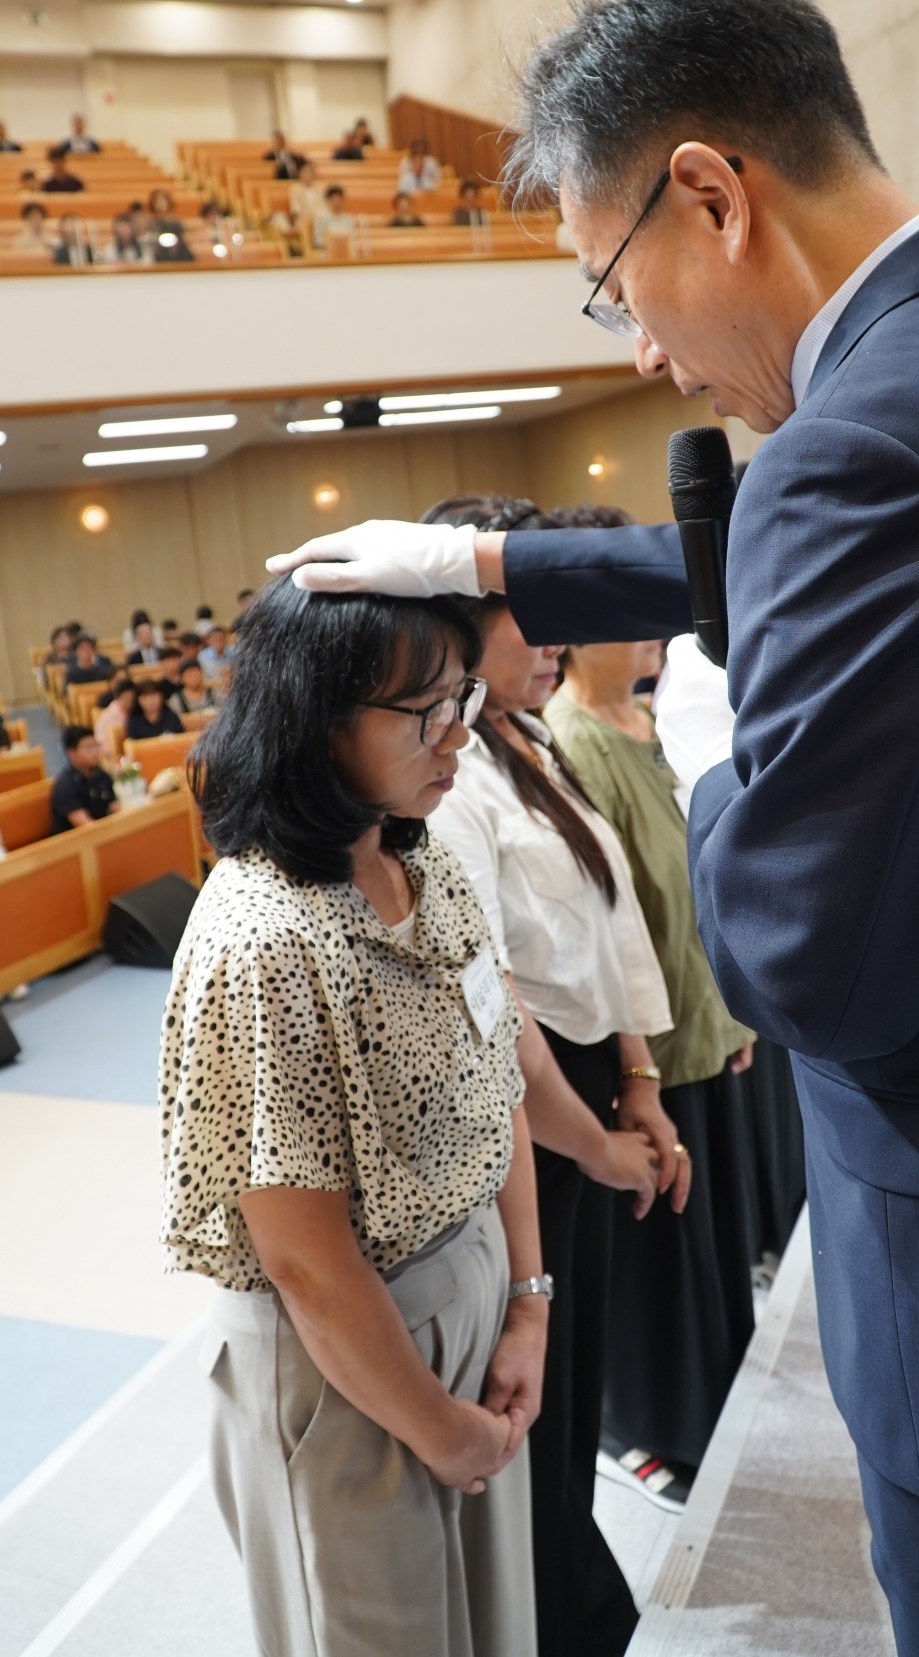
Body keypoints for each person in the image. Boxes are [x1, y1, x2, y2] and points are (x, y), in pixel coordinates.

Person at [267, 0, 919, 1656]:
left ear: (712, 196)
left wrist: (714, 753)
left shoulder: (850, 456)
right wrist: (498, 563)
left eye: (611, 284)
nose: (645, 352)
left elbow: (810, 971)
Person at [162, 576, 544, 1657]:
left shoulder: (418, 857)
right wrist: (441, 1429)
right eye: (425, 712)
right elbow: (308, 1263)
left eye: (463, 700)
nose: (457, 736)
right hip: (353, 1358)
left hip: (468, 1292)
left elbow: (499, 1083)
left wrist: (527, 1302)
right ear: (317, 720)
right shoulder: (263, 939)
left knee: (493, 1623)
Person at [423, 495, 685, 1657]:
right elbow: (496, 1002)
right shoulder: (450, 778)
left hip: (587, 1080)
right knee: (533, 1390)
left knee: (570, 1384)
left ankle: (571, 1600)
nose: (557, 643)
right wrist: (594, 1137)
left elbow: (610, 918)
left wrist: (641, 1074)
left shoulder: (523, 745)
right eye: (532, 618)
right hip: (530, 1111)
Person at [544, 577, 757, 1493]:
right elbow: (609, 916)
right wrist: (639, 1064)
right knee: (656, 1258)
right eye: (622, 619)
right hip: (644, 1045)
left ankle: (712, 1407)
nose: (648, 636)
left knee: (709, 1246)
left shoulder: (645, 722)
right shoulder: (571, 739)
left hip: (696, 1019)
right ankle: (648, 1429)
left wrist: (729, 1010)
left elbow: (692, 875)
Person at [51, 726, 118, 833]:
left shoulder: (100, 774)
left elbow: (114, 806)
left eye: (96, 746)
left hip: (103, 832)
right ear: (72, 753)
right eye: (89, 748)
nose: (95, 752)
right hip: (79, 839)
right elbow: (85, 826)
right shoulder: (66, 785)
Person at [94, 676, 137, 756]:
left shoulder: (137, 712)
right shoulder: (108, 715)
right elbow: (100, 741)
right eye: (126, 698)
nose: (129, 701)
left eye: (132, 698)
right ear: (118, 697)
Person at [148, 188, 194, 262]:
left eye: (163, 200)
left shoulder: (176, 223)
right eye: (158, 200)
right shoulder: (150, 224)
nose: (161, 203)